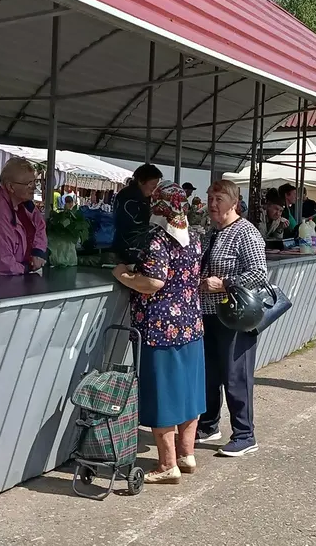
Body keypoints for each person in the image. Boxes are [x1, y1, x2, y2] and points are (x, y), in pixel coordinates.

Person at [111, 182, 204, 484]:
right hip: (191, 324)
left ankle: (167, 464)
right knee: (189, 390)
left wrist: (123, 275)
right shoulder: (194, 238)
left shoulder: (157, 240)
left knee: (161, 394)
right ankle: (186, 454)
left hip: (159, 330)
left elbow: (153, 282)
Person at [197, 179, 269, 457]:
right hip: (208, 313)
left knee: (235, 376)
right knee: (210, 374)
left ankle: (244, 434)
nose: (213, 205)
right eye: (210, 198)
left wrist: (225, 283)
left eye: (219, 199)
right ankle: (209, 424)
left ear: (234, 202)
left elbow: (259, 274)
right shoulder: (211, 232)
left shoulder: (245, 233)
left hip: (235, 316)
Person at [113, 164, 164, 264]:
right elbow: (133, 226)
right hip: (127, 248)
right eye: (153, 184)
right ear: (141, 181)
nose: (155, 188)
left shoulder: (142, 197)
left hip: (134, 247)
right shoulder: (129, 197)